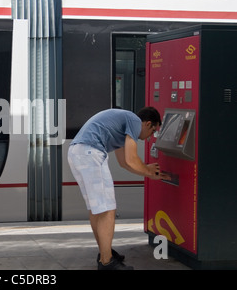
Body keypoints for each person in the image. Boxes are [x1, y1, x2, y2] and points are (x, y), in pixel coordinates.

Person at [67, 107, 170, 270]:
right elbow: (131, 159)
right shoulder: (134, 121)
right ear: (148, 123)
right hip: (91, 153)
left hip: (77, 153)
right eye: (153, 132)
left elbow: (124, 162)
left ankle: (104, 253)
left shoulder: (123, 127)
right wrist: (149, 172)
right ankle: (107, 263)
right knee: (108, 210)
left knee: (97, 210)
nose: (149, 138)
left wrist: (146, 169)